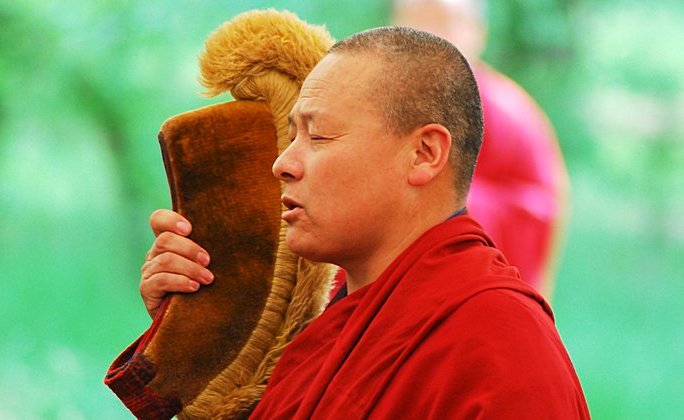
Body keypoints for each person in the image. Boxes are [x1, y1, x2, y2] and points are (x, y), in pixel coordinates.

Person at [141, 27, 589, 418]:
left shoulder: (499, 343)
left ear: (424, 153)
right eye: (293, 134)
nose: (283, 163)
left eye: (318, 135)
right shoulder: (334, 328)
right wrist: (194, 334)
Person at [392, 0, 571, 296]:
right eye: (414, 18)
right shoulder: (371, 97)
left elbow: (538, 210)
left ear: (478, 33)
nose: (426, 33)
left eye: (443, 20)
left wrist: (441, 206)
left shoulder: (511, 115)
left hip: (469, 294)